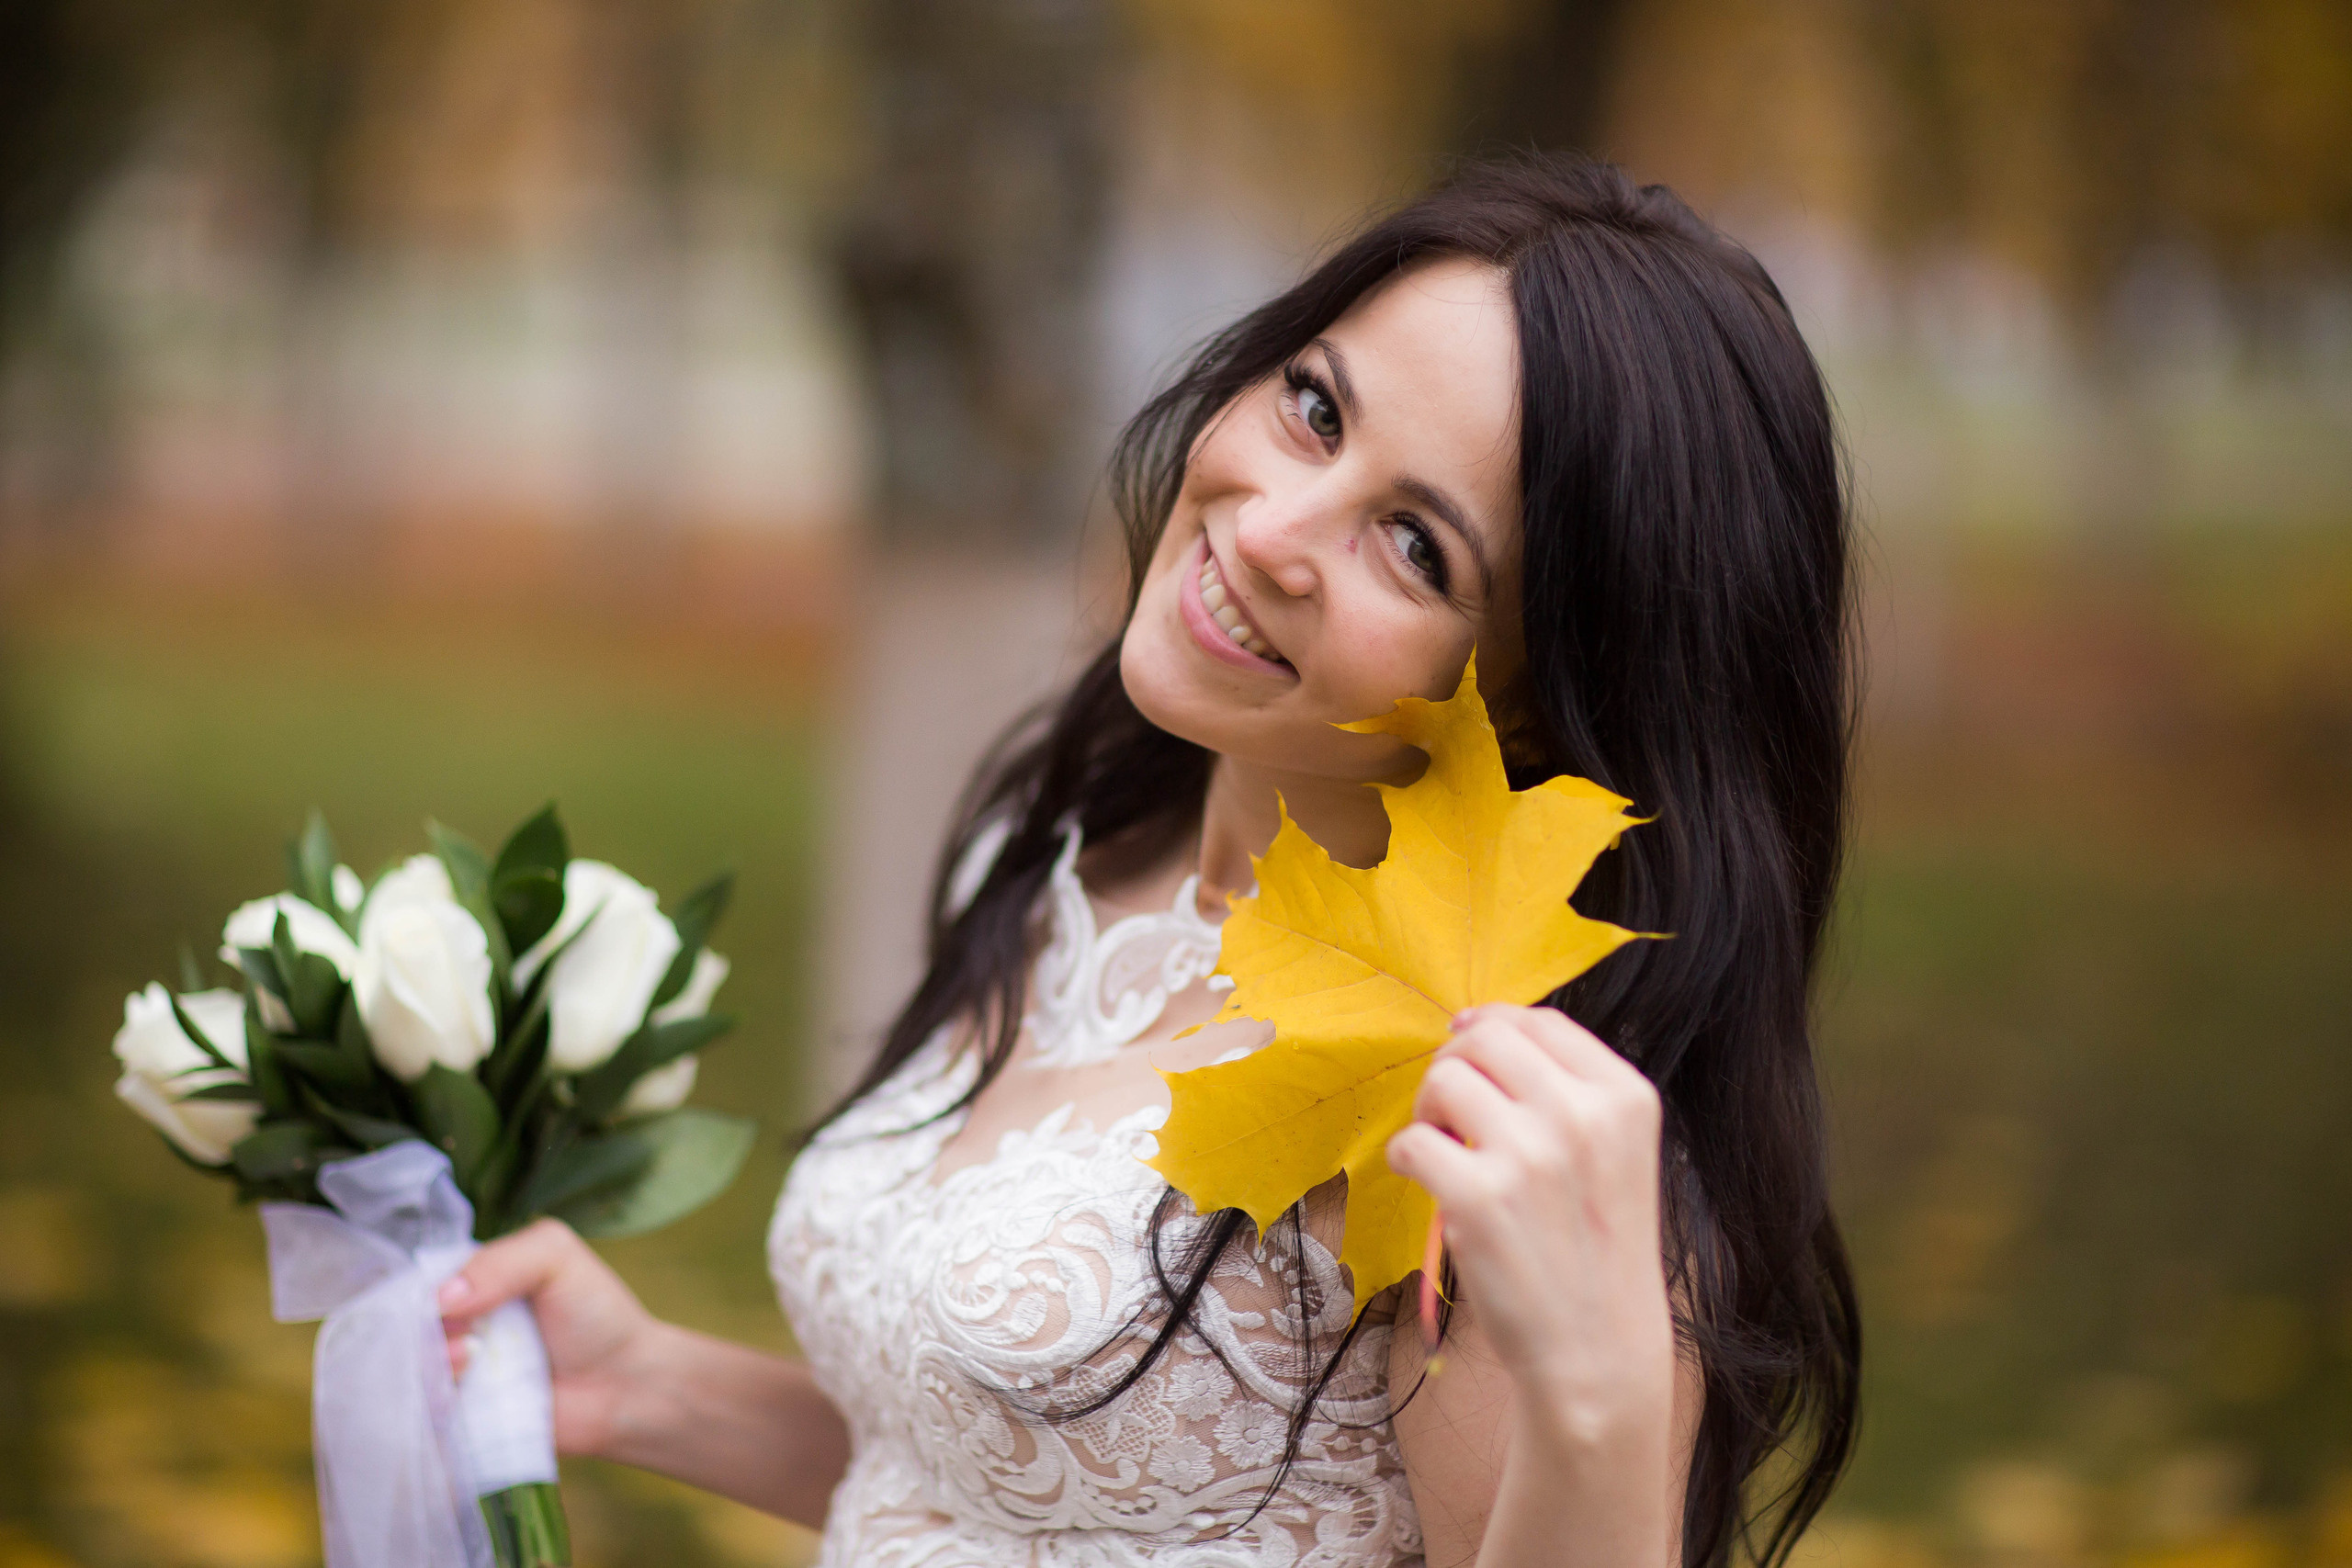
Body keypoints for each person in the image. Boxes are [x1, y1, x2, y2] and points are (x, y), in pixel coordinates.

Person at [436, 155, 1861, 1568]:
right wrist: (653, 1386)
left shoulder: (1487, 1116)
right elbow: (1014, 1489)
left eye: (1416, 547)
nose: (1270, 528)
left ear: (1547, 694)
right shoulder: (1073, 851)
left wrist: (1607, 1407)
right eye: (1315, 410)